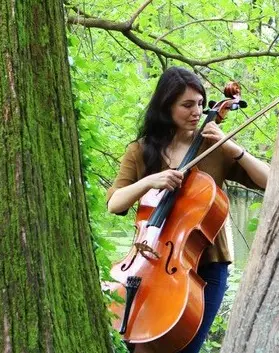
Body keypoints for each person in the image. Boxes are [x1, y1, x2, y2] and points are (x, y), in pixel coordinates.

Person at [106, 66, 269, 353]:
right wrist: (149, 181)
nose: (197, 112)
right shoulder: (140, 151)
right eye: (187, 105)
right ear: (166, 106)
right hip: (148, 266)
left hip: (206, 270)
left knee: (185, 348)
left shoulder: (214, 148)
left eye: (201, 104)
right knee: (141, 344)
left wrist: (234, 148)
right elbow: (115, 203)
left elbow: (271, 181)